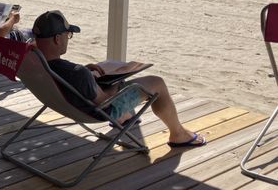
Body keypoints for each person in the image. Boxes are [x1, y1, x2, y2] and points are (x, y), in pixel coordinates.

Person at [31, 10, 206, 147]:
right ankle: (178, 134)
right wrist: (114, 84)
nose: (68, 40)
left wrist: (87, 73)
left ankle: (129, 116)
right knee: (157, 82)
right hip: (98, 110)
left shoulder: (35, 62)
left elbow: (66, 76)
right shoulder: (76, 74)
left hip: (63, 99)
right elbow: (105, 104)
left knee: (113, 80)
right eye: (68, 35)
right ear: (57, 38)